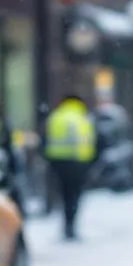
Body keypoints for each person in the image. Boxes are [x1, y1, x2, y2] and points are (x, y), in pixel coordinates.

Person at [43, 93, 95, 239]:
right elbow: (88, 142)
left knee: (64, 194)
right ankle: (70, 225)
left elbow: (46, 139)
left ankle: (66, 224)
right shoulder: (82, 118)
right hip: (78, 163)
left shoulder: (56, 117)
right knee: (74, 196)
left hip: (57, 162)